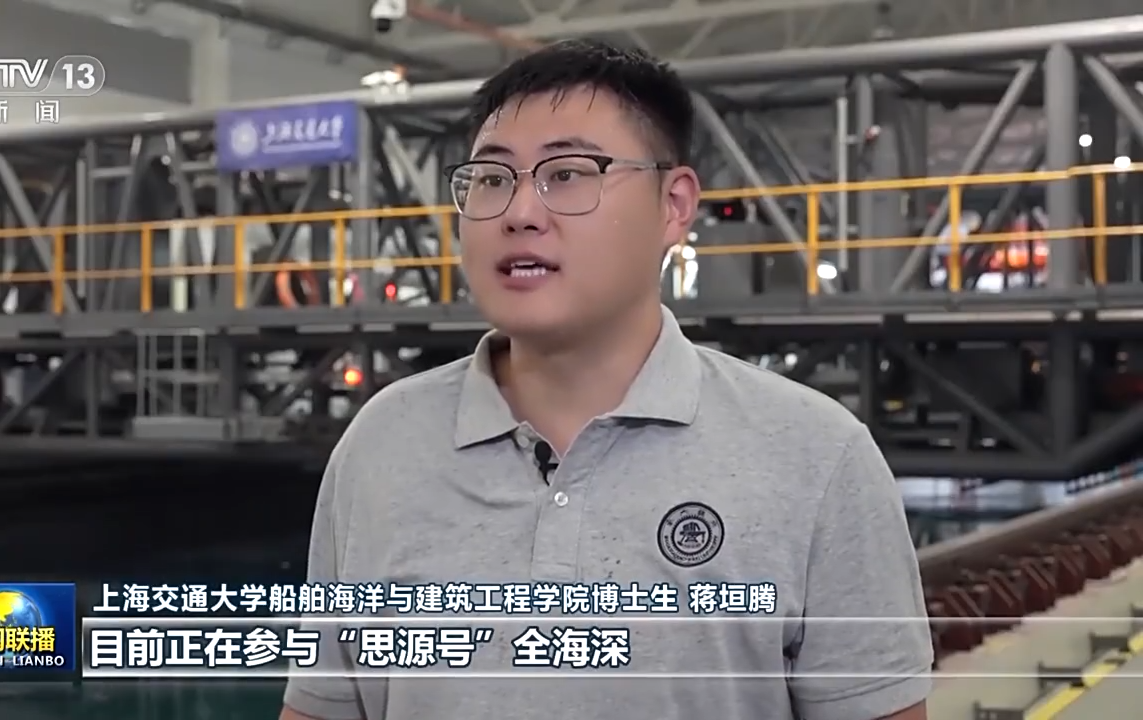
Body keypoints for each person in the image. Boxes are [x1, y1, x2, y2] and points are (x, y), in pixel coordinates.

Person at [281, 39, 931, 720]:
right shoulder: (382, 445)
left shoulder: (817, 457)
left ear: (674, 205)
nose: (519, 212)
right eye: (492, 178)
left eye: (567, 173)